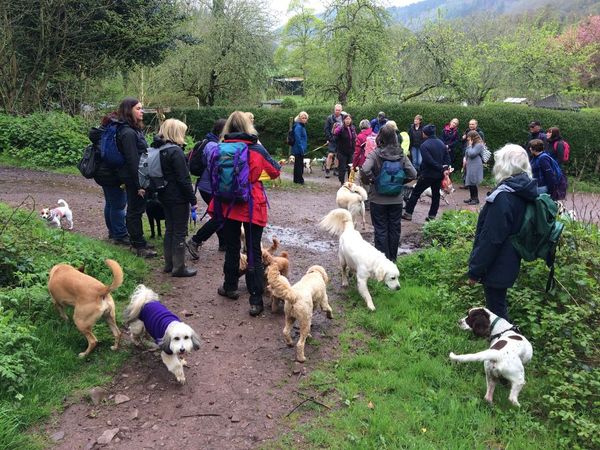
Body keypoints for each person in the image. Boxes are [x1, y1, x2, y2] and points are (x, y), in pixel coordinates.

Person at [210, 111, 280, 317]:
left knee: (232, 247)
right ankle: (256, 300)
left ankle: (229, 286)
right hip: (251, 205)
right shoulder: (257, 149)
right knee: (253, 252)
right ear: (248, 126)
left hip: (227, 204)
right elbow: (275, 170)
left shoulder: (220, 148)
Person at [468, 144, 537, 321]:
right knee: (498, 304)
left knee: (497, 310)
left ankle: (506, 345)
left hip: (497, 262)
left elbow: (491, 238)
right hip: (511, 259)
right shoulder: (524, 190)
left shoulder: (504, 196)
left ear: (504, 165)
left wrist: (475, 270)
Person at [361, 124, 416, 261]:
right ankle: (393, 260)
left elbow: (365, 169)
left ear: (380, 137)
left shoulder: (375, 153)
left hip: (377, 199)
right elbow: (413, 173)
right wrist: (400, 182)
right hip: (397, 200)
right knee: (394, 230)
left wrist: (372, 181)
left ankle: (382, 262)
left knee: (380, 230)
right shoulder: (401, 154)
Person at [152, 119, 198, 277]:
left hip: (164, 195)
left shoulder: (159, 149)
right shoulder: (175, 151)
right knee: (179, 231)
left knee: (170, 230)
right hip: (178, 197)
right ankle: (179, 268)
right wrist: (193, 200)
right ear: (177, 132)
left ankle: (169, 264)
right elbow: (183, 179)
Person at [113, 97, 157, 258]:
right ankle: (138, 245)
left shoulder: (133, 130)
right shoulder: (127, 133)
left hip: (138, 176)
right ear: (128, 111)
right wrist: (139, 184)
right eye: (138, 108)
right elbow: (132, 160)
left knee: (137, 209)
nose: (141, 111)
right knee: (134, 211)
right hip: (134, 178)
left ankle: (139, 241)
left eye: (141, 108)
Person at [185, 118, 227, 260]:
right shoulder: (213, 146)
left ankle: (223, 244)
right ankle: (195, 240)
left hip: (205, 185)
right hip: (210, 187)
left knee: (218, 215)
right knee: (220, 216)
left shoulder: (208, 141)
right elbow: (214, 169)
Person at [89, 112, 129, 246]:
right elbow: (114, 159)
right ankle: (120, 235)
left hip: (102, 174)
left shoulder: (100, 134)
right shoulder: (109, 136)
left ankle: (113, 231)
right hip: (111, 175)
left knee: (111, 203)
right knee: (118, 205)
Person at [402, 124, 450, 222]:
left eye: (423, 132)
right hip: (438, 175)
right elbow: (447, 158)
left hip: (427, 174)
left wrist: (440, 167)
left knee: (415, 192)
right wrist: (444, 168)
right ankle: (432, 216)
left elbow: (428, 160)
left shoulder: (424, 145)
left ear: (425, 133)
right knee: (436, 195)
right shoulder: (441, 143)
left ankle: (408, 213)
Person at [333, 112, 357, 185]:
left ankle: (351, 182)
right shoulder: (340, 129)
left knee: (352, 168)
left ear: (351, 120)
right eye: (346, 119)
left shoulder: (353, 128)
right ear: (343, 120)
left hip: (351, 151)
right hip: (342, 151)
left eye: (349, 119)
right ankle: (342, 182)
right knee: (342, 168)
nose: (348, 120)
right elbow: (334, 137)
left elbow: (355, 138)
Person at [463, 130, 485, 205]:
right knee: (470, 181)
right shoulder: (473, 144)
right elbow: (467, 153)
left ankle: (475, 199)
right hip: (471, 164)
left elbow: (472, 154)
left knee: (473, 181)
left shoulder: (479, 144)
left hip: (475, 164)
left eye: (469, 137)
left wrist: (469, 145)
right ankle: (472, 197)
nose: (467, 138)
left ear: (473, 137)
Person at [324, 104, 343, 178]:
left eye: (339, 110)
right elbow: (326, 129)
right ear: (334, 110)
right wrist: (329, 138)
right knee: (330, 155)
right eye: (336, 110)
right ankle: (327, 170)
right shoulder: (330, 118)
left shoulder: (344, 117)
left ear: (341, 110)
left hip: (340, 140)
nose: (337, 111)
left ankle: (336, 170)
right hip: (332, 139)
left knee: (338, 155)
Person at [291, 111, 309, 184]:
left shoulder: (301, 126)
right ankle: (299, 180)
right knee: (299, 165)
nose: (304, 119)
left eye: (305, 118)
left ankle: (296, 180)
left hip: (300, 148)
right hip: (298, 149)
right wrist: (301, 149)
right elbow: (298, 139)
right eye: (302, 118)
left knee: (298, 164)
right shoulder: (298, 127)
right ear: (299, 118)